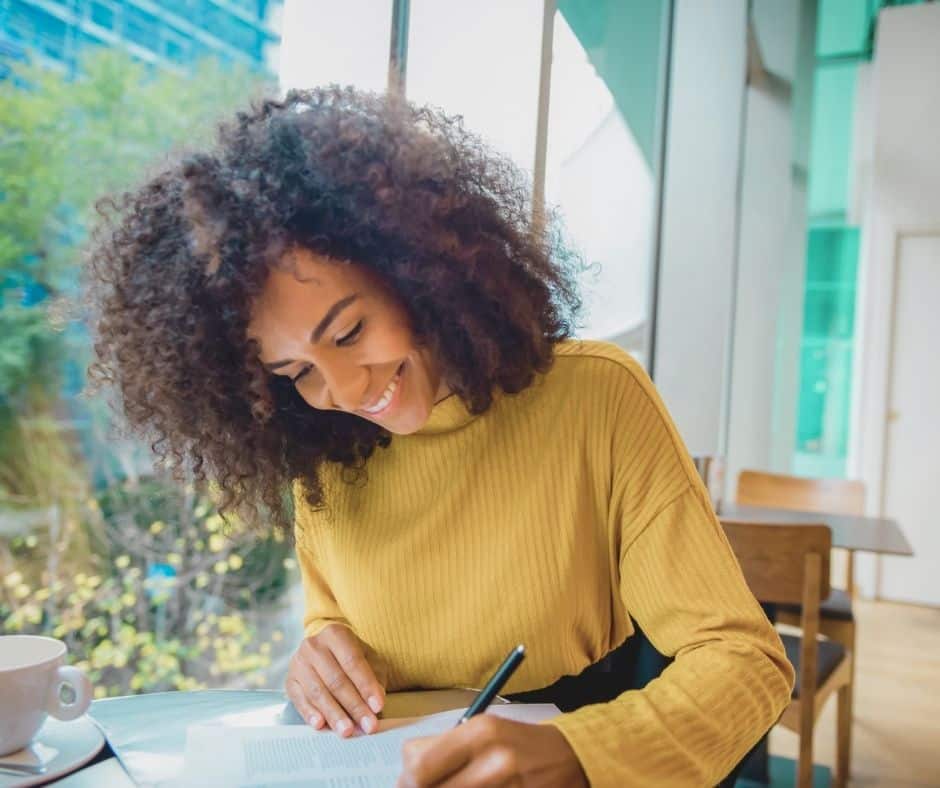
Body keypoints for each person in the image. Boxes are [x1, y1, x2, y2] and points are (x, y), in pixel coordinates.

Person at [87, 86, 794, 787]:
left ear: (416, 273)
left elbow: (742, 660)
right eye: (297, 369)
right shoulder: (322, 450)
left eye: (349, 331)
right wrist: (319, 653)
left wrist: (584, 753)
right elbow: (332, 612)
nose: (348, 390)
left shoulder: (597, 399)